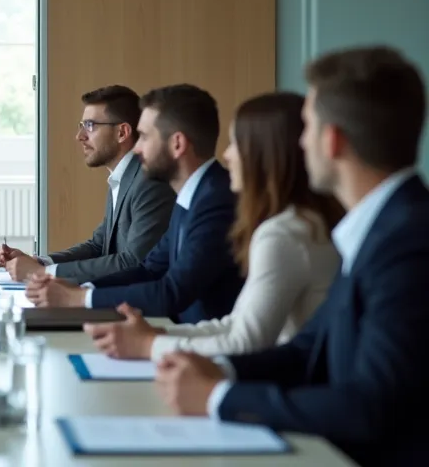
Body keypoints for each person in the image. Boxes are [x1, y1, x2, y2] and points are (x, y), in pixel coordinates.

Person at [155, 46, 429, 466]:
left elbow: (371, 406)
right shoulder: (380, 226)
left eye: (306, 127)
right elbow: (307, 350)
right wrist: (223, 373)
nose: (300, 143)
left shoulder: (407, 241)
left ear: (332, 140)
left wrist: (220, 398)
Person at [87, 92, 343, 360]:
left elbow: (246, 340)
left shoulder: (283, 235)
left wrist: (149, 345)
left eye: (236, 143)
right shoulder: (297, 224)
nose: (227, 155)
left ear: (265, 155)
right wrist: (156, 338)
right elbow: (235, 324)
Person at [26, 84, 242, 324]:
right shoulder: (193, 195)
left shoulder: (217, 200)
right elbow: (148, 269)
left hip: (205, 348)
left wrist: (80, 298)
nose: (136, 148)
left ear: (177, 144)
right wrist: (80, 290)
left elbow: (172, 292)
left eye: (146, 137)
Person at [0, 85, 175, 283]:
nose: (79, 136)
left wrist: (42, 273)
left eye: (90, 126)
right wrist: (39, 262)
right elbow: (99, 246)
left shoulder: (149, 182)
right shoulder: (123, 177)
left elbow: (134, 262)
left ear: (122, 132)